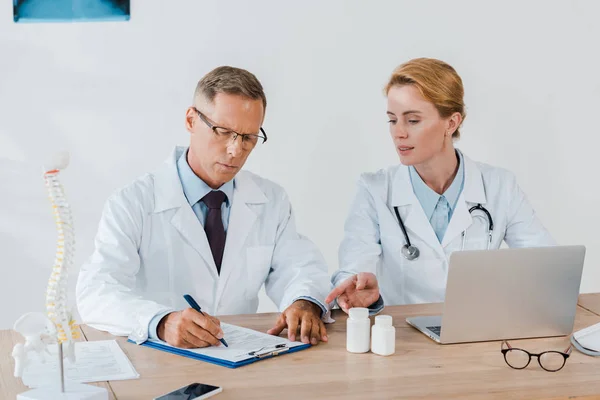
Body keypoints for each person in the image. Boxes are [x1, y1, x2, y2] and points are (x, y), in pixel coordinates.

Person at [77, 66, 330, 348]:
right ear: (190, 120)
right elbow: (97, 292)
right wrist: (160, 321)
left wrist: (304, 301)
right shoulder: (133, 202)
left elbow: (298, 267)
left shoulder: (271, 199)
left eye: (248, 138)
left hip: (240, 356)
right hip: (161, 359)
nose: (236, 150)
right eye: (223, 132)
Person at [326, 58, 556, 312]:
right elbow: (353, 267)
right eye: (392, 120)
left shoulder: (500, 186)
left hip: (476, 336)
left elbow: (547, 266)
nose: (398, 132)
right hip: (403, 342)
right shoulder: (375, 189)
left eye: (412, 120)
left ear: (451, 123)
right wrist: (355, 287)